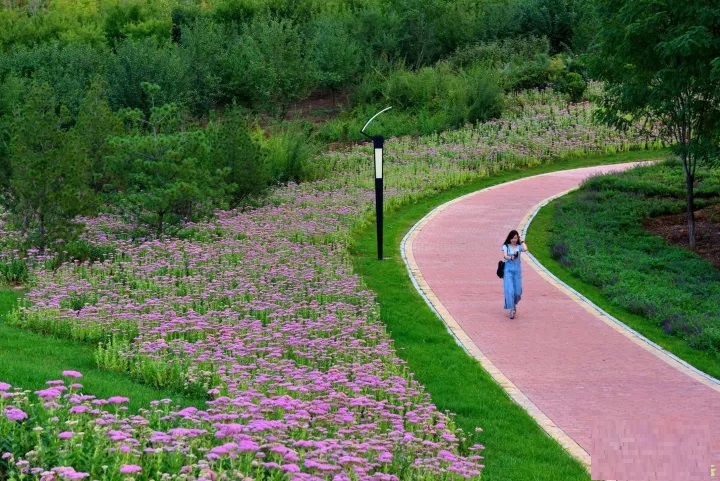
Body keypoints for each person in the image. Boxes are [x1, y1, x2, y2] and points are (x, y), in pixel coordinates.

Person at [501, 230, 528, 319]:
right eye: (512, 238)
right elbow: (505, 256)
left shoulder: (519, 247)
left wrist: (522, 241)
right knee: (510, 291)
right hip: (508, 271)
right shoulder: (506, 246)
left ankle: (513, 304)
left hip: (517, 272)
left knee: (517, 292)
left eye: (516, 238)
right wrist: (511, 257)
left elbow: (525, 249)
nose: (514, 240)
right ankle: (512, 309)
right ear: (509, 238)